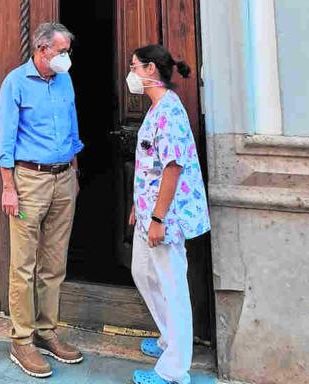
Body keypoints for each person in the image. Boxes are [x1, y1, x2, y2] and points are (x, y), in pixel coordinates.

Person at [0, 22, 84, 378]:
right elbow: (5, 140)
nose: (66, 58)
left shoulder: (65, 81)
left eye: (67, 51)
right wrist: (8, 187)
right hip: (28, 180)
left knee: (54, 262)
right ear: (42, 50)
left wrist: (74, 172)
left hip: (63, 178)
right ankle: (22, 339)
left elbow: (73, 127)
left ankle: (47, 332)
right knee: (24, 264)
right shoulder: (15, 82)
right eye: (61, 52)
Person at [127, 44, 210, 384]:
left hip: (166, 218)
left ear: (150, 70)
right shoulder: (156, 108)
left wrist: (159, 218)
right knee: (143, 273)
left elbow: (173, 168)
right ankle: (168, 339)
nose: (130, 74)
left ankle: (174, 370)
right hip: (148, 212)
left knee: (173, 285)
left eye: (134, 66)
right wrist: (138, 204)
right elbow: (152, 164)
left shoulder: (169, 111)